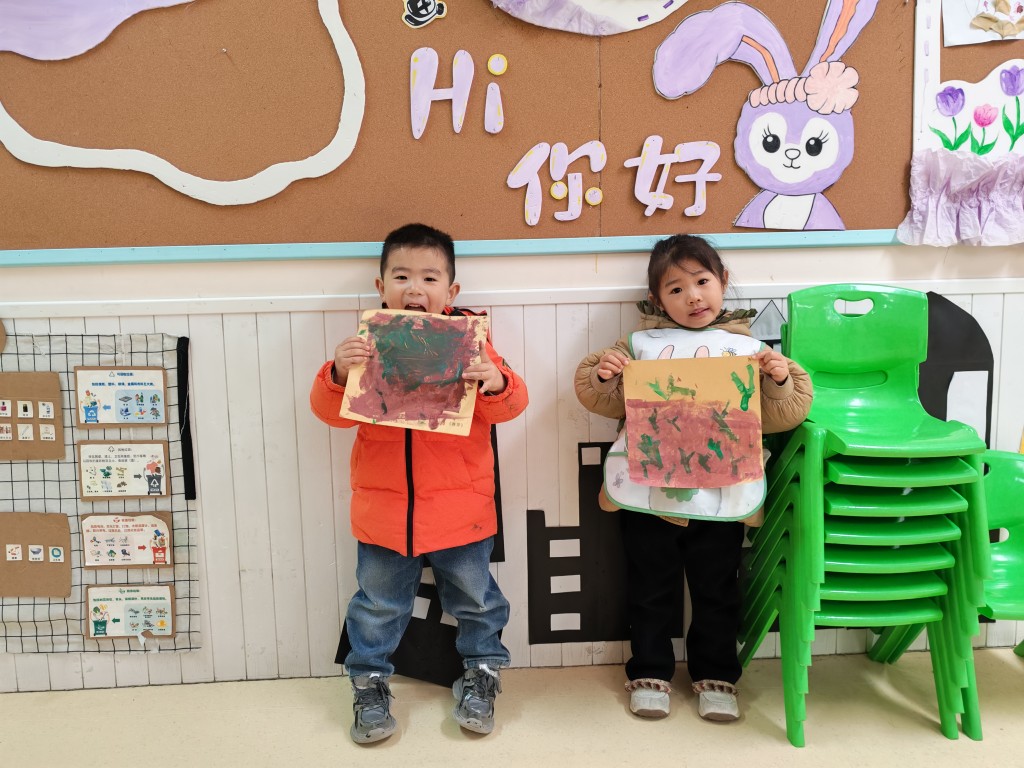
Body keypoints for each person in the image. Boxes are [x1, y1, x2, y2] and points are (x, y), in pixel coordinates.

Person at [574, 234, 812, 723]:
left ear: (723, 281)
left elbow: (784, 413)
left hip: (719, 495)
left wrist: (778, 379)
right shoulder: (638, 346)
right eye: (676, 289)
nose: (693, 297)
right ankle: (649, 671)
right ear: (656, 299)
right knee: (649, 586)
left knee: (717, 589)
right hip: (650, 493)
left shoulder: (749, 350)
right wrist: (605, 375)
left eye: (702, 282)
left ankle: (717, 673)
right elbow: (601, 399)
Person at [310, 223, 529, 743]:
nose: (415, 288)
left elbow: (512, 406)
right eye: (402, 276)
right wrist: (338, 373)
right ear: (381, 286)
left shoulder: (473, 343)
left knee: (477, 600)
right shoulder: (365, 346)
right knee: (378, 605)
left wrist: (495, 381)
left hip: (462, 512)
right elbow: (330, 414)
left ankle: (482, 672)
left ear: (451, 290)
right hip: (384, 516)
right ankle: (369, 680)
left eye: (430, 278)